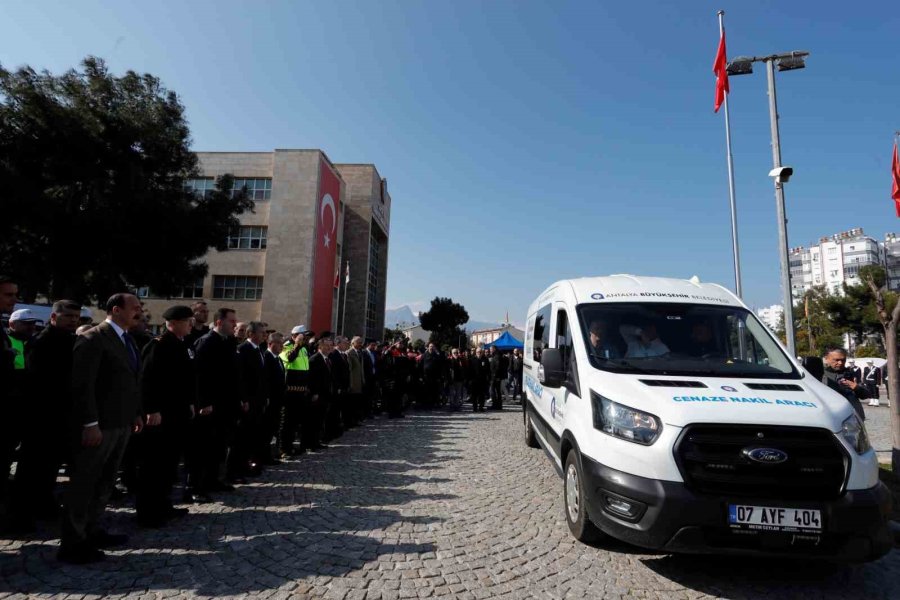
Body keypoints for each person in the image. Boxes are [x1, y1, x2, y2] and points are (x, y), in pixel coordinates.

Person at [60, 293, 146, 564]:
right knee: (85, 483)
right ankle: (72, 543)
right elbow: (83, 385)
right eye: (135, 307)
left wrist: (135, 413)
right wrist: (90, 423)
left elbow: (129, 381)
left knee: (105, 481)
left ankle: (92, 530)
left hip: (121, 423)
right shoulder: (94, 338)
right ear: (116, 309)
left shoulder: (127, 339)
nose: (140, 312)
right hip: (100, 426)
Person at [9, 300, 80, 531]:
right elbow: (38, 383)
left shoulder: (70, 340)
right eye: (67, 315)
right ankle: (21, 515)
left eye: (75, 316)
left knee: (49, 467)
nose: (72, 320)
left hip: (60, 416)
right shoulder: (41, 343)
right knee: (32, 469)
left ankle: (43, 505)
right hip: (41, 417)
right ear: (53, 317)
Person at [134, 305, 195, 528]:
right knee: (154, 464)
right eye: (187, 321)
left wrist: (189, 402)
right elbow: (147, 380)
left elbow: (184, 380)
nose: (191, 324)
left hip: (177, 413)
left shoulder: (181, 345)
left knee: (169, 463)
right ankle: (148, 511)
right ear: (174, 322)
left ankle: (163, 504)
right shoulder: (159, 345)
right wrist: (151, 409)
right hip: (161, 414)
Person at [192, 308, 240, 496]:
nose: (235, 325)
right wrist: (203, 402)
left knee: (219, 446)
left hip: (226, 405)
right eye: (231, 321)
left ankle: (214, 480)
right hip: (210, 406)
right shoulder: (206, 342)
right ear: (219, 322)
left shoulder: (229, 342)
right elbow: (199, 376)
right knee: (204, 448)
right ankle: (197, 487)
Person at [1, 307, 39, 501]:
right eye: (26, 324)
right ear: (12, 324)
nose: (31, 327)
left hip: (28, 406)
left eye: (33, 323)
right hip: (10, 406)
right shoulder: (6, 341)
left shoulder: (36, 343)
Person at [232, 321, 268, 482]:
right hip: (248, 401)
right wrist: (243, 399)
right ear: (251, 334)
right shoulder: (243, 350)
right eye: (261, 332)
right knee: (241, 437)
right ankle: (235, 470)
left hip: (257, 400)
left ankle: (245, 466)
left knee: (252, 435)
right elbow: (240, 378)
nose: (264, 335)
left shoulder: (258, 350)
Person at [279, 326, 310, 456]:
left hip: (301, 390)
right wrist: (296, 344)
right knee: (287, 421)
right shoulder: (286, 346)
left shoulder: (304, 349)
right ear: (294, 335)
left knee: (296, 421)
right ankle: (283, 448)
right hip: (290, 391)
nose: (305, 339)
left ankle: (291, 446)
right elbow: (290, 358)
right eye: (302, 336)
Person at [822, 348, 868, 419]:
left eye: (843, 360)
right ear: (826, 359)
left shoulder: (851, 373)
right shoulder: (820, 375)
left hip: (853, 416)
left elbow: (865, 395)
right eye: (836, 360)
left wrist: (856, 387)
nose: (840, 363)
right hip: (830, 415)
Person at [307, 337, 335, 450]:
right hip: (317, 395)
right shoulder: (314, 359)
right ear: (320, 346)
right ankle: (310, 444)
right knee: (314, 420)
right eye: (327, 345)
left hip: (325, 395)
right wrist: (314, 393)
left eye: (331, 345)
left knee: (320, 420)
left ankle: (317, 441)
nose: (329, 348)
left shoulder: (328, 359)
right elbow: (311, 378)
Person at [262, 333, 286, 463]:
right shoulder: (266, 357)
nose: (282, 346)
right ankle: (264, 457)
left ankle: (269, 455)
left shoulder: (278, 358)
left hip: (278, 400)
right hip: (270, 400)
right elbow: (266, 380)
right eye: (279, 344)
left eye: (282, 344)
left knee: (273, 429)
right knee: (266, 430)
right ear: (271, 344)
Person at [380, 340, 409, 418]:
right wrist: (391, 347)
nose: (400, 344)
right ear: (395, 344)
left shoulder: (403, 353)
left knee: (399, 396)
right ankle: (391, 413)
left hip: (401, 378)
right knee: (392, 396)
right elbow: (384, 357)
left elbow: (407, 364)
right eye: (399, 343)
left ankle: (398, 412)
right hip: (392, 378)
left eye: (402, 343)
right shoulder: (391, 352)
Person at [346, 336, 366, 426]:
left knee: (358, 402)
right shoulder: (349, 353)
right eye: (358, 342)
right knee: (352, 403)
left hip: (359, 381)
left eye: (361, 342)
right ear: (353, 343)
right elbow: (349, 370)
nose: (360, 344)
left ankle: (356, 419)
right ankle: (351, 421)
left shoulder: (360, 352)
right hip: (353, 382)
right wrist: (350, 383)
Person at [468, 348, 491, 412]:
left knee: (482, 395)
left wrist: (488, 378)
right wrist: (469, 379)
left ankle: (481, 407)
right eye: (478, 352)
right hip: (474, 380)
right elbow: (469, 370)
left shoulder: (485, 359)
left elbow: (488, 370)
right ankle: (474, 407)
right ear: (476, 352)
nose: (479, 353)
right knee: (474, 395)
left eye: (480, 352)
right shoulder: (472, 360)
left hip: (482, 380)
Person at [421, 343, 443, 409]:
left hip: (434, 376)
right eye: (430, 346)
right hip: (426, 376)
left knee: (434, 391)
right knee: (427, 390)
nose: (431, 348)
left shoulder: (436, 355)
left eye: (433, 347)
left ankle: (434, 404)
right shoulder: (424, 355)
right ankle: (427, 405)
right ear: (428, 347)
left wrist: (439, 376)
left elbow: (440, 364)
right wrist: (421, 376)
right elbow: (421, 365)